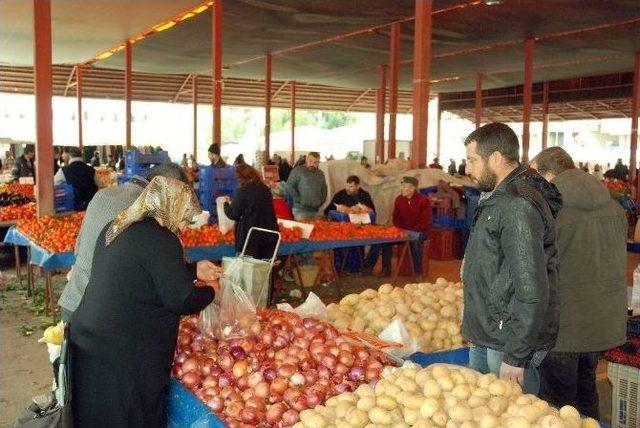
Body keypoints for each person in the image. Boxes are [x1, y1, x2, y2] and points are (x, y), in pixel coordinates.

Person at [69, 176, 219, 428]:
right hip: (124, 352)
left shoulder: (118, 226)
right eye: (184, 215)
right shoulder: (161, 238)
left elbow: (142, 273)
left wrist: (193, 271)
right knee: (130, 414)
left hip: (89, 339)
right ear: (169, 206)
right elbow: (181, 299)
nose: (183, 224)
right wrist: (213, 291)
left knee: (97, 414)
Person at [462, 122, 561, 394]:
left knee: (513, 415)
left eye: (472, 160)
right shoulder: (498, 197)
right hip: (488, 331)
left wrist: (516, 355)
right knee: (481, 412)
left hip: (507, 341)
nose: (467, 169)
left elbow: (532, 289)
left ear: (495, 158)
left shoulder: (517, 205)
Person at [530, 147, 627, 419]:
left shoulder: (552, 213)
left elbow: (537, 271)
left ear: (549, 175)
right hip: (599, 322)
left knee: (555, 408)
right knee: (586, 394)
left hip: (563, 326)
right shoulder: (614, 208)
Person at [58, 164, 218, 320]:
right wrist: (212, 290)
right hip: (108, 316)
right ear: (170, 191)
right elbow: (172, 287)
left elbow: (78, 249)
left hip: (73, 302)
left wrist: (193, 269)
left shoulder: (102, 195)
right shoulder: (152, 214)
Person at [364, 176, 431, 276]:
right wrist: (401, 230)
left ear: (412, 188)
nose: (402, 189)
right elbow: (396, 218)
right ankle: (386, 270)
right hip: (403, 231)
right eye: (402, 186)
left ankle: (418, 272)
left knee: (416, 243)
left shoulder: (424, 200)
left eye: (404, 187)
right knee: (386, 240)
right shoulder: (399, 199)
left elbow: (425, 221)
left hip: (420, 231)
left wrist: (410, 232)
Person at [223, 164, 279, 259]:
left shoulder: (244, 191)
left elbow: (232, 214)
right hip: (269, 236)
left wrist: (225, 203)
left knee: (249, 270)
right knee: (264, 269)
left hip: (251, 238)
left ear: (241, 178)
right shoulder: (265, 189)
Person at [286, 152, 327, 220]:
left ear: (318, 163)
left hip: (315, 210)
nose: (312, 164)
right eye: (310, 161)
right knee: (302, 229)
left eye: (315, 162)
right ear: (306, 160)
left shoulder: (320, 174)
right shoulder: (297, 171)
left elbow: (324, 189)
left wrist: (321, 201)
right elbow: (290, 185)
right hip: (300, 210)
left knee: (315, 230)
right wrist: (299, 199)